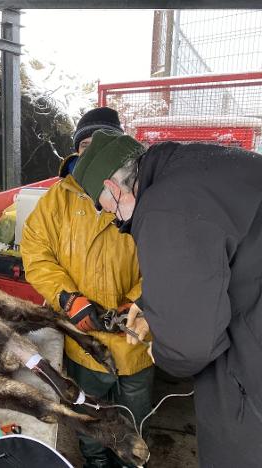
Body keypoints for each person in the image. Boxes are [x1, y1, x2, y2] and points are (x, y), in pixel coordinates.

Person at [73, 129, 262, 467]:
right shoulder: (189, 166)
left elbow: (189, 346)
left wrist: (163, 352)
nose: (113, 219)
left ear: (113, 189)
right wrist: (149, 304)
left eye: (106, 208)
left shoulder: (162, 209)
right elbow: (210, 259)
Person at [22, 129, 154, 468]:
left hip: (135, 340)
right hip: (84, 339)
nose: (91, 153)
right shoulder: (57, 199)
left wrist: (137, 303)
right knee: (89, 416)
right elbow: (36, 253)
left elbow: (166, 257)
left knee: (135, 417)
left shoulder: (142, 193)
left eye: (100, 148)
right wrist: (68, 299)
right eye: (84, 145)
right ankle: (96, 463)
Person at [58, 107, 124, 177]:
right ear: (78, 151)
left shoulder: (134, 180)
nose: (91, 152)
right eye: (85, 145)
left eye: (101, 144)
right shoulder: (62, 186)